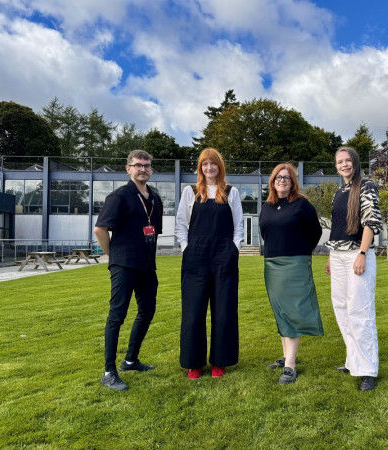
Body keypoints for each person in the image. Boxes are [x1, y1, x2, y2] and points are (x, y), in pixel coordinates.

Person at [94, 149, 163, 391]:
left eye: (146, 165)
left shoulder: (155, 198)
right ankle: (108, 371)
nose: (143, 168)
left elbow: (152, 232)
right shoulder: (119, 196)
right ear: (128, 169)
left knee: (147, 311)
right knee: (117, 315)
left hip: (147, 266)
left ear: (151, 169)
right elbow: (100, 229)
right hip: (124, 265)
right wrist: (114, 256)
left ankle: (130, 360)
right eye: (138, 165)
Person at [175, 148, 244, 379]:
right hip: (195, 256)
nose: (209, 168)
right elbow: (181, 223)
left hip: (224, 255)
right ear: (200, 167)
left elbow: (238, 225)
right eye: (205, 164)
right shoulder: (191, 191)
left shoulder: (230, 192)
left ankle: (220, 361)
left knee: (224, 311)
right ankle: (193, 363)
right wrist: (186, 248)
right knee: (193, 312)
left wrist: (234, 249)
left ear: (219, 166)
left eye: (213, 164)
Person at [324, 146, 383, 391]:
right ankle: (353, 360)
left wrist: (362, 253)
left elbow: (371, 220)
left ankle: (367, 369)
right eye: (340, 162)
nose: (344, 165)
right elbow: (336, 226)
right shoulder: (339, 192)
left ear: (355, 162)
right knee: (342, 308)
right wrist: (330, 256)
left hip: (357, 254)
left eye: (348, 160)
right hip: (337, 255)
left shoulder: (367, 186)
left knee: (360, 311)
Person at [259, 163, 323, 384]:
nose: (282, 180)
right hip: (272, 265)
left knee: (292, 310)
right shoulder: (267, 206)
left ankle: (291, 365)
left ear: (293, 181)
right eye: (278, 176)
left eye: (287, 177)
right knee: (280, 310)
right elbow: (265, 232)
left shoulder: (302, 204)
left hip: (295, 264)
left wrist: (301, 250)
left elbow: (316, 231)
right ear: (273, 181)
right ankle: (286, 355)